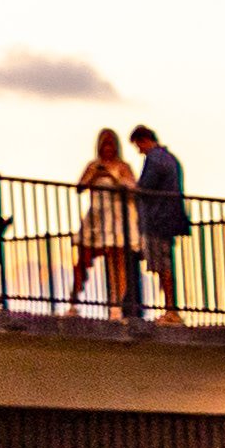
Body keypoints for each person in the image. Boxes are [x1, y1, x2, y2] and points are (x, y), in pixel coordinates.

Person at [73, 124, 142, 320]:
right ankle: (74, 301)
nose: (108, 148)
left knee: (117, 261)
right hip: (97, 218)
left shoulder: (123, 167)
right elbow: (80, 186)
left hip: (117, 219)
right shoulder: (93, 165)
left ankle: (116, 303)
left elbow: (132, 188)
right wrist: (96, 174)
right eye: (105, 144)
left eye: (111, 144)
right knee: (83, 260)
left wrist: (112, 176)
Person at [128, 119, 188, 319]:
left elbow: (145, 187)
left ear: (144, 140)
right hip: (169, 217)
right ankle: (170, 309)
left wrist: (130, 189)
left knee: (162, 266)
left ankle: (170, 309)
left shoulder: (154, 159)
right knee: (164, 264)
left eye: (138, 145)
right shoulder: (170, 157)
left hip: (157, 219)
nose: (139, 150)